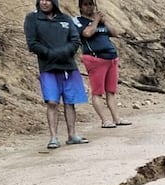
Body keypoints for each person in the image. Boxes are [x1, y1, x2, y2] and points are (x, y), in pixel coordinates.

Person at [24, 0, 88, 149]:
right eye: (42, 0)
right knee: (52, 102)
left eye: (48, 0)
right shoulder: (32, 19)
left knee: (70, 102)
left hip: (68, 66)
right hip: (48, 66)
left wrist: (63, 52)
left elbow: (75, 40)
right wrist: (49, 53)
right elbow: (32, 43)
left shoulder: (65, 19)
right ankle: (53, 137)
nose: (44, 3)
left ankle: (72, 135)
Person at [77, 0, 129, 128]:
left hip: (111, 57)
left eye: (91, 4)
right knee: (97, 92)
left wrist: (104, 21)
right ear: (80, 7)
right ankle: (105, 120)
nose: (89, 7)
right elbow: (87, 33)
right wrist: (95, 21)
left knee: (111, 91)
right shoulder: (78, 21)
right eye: (86, 4)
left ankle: (117, 118)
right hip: (95, 58)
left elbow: (115, 33)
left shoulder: (100, 21)